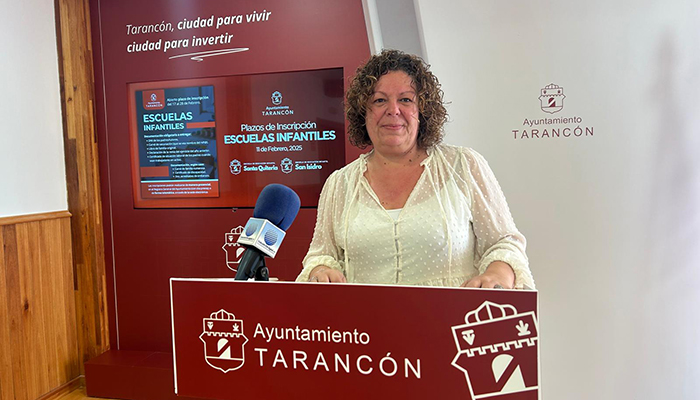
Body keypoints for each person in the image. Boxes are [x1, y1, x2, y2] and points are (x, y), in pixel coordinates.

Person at [295, 50, 535, 289]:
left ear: (423, 110)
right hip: (365, 314)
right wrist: (321, 270)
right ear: (363, 112)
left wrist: (497, 274)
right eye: (379, 100)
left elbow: (503, 243)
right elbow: (320, 255)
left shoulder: (464, 165)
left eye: (406, 100)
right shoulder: (340, 183)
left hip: (450, 314)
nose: (393, 110)